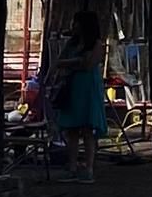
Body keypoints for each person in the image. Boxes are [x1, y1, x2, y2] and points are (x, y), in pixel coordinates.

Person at [44, 11, 109, 182]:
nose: (73, 26)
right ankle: (72, 166)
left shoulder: (95, 44)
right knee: (72, 130)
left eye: (76, 23)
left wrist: (72, 63)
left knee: (87, 130)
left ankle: (88, 168)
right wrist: (75, 62)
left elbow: (88, 64)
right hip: (72, 86)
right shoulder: (71, 43)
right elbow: (58, 61)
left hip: (88, 88)